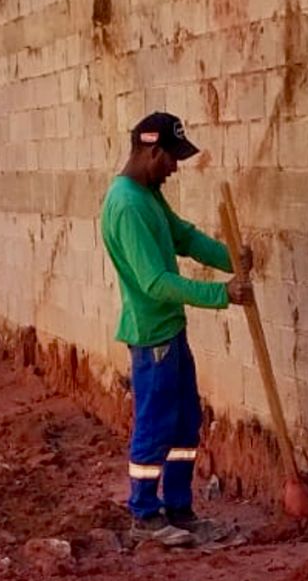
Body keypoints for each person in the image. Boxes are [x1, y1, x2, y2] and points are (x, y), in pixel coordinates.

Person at [100, 111, 252, 544]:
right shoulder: (127, 205)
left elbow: (183, 237)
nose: (175, 167)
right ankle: (145, 513)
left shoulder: (147, 194)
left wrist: (231, 258)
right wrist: (223, 294)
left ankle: (180, 509)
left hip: (171, 332)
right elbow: (154, 282)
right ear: (152, 151)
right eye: (171, 158)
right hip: (152, 338)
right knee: (156, 424)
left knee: (185, 421)